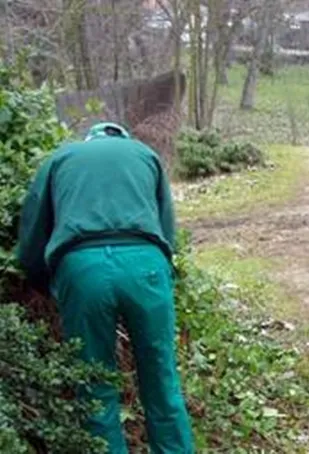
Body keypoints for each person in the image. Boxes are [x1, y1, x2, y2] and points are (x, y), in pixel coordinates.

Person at [17, 122, 194, 453]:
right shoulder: (145, 154)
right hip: (145, 265)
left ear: (89, 138)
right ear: (122, 137)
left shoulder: (61, 157)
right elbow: (167, 229)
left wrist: (38, 278)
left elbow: (33, 229)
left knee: (95, 383)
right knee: (161, 379)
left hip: (83, 269)